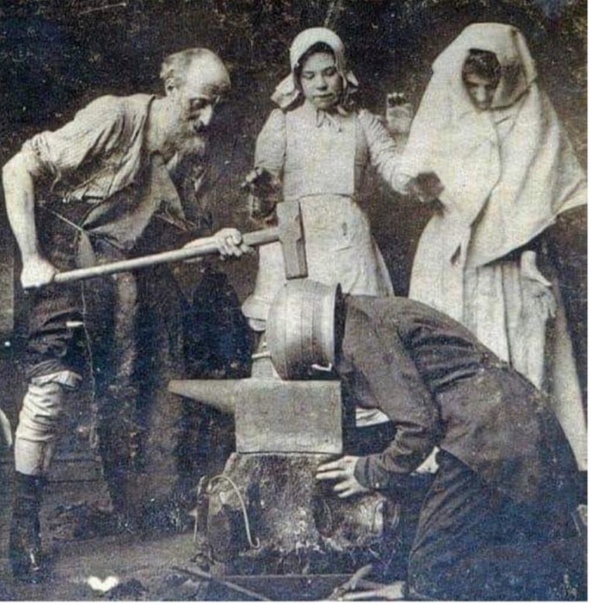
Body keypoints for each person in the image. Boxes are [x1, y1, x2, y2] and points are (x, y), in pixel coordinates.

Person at [1, 47, 249, 583]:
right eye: (199, 103)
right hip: (63, 261)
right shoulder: (114, 118)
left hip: (121, 276)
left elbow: (179, 240)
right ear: (171, 89)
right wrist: (32, 257)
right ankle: (24, 528)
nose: (207, 119)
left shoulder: (190, 154)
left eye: (217, 106)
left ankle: (134, 506)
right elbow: (17, 169)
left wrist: (217, 239)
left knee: (144, 382)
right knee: (52, 389)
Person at [265, 280, 584, 600]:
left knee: (433, 569)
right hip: (502, 427)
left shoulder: (363, 336)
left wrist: (367, 472)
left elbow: (418, 426)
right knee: (458, 552)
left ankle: (574, 567)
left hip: (488, 438)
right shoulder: (364, 316)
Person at [398, 23, 587, 469]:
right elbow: (416, 175)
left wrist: (528, 254)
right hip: (453, 256)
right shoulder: (444, 106)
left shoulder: (533, 113)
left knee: (520, 353)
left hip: (517, 260)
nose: (482, 96)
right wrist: (426, 184)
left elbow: (541, 195)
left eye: (491, 85)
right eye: (473, 86)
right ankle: (458, 461)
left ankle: (528, 463)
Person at [242, 27, 430, 428]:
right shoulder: (281, 123)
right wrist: (263, 189)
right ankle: (289, 429)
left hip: (348, 240)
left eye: (329, 72)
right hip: (296, 241)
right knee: (291, 333)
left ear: (343, 72)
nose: (321, 84)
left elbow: (400, 178)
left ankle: (360, 435)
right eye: (309, 76)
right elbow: (262, 201)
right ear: (297, 78)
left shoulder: (364, 122)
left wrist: (405, 137)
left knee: (354, 332)